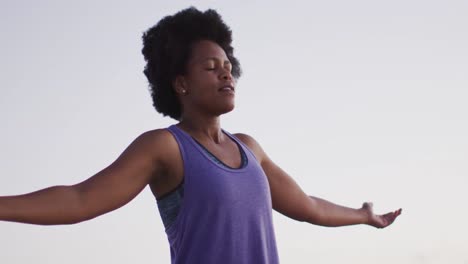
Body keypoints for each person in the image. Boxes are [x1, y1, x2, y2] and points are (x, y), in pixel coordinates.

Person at [0, 7, 402, 264]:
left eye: (228, 65)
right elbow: (80, 199)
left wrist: (363, 216)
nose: (226, 72)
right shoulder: (166, 147)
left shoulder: (251, 150)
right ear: (181, 84)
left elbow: (309, 207)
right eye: (211, 66)